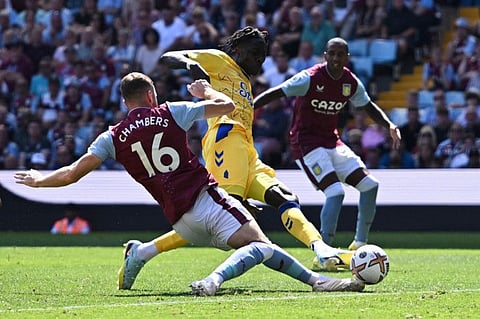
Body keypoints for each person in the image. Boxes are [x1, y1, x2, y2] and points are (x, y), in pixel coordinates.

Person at [14, 72, 364, 296]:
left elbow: (72, 173)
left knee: (257, 246)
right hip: (206, 199)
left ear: (125, 102)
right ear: (151, 95)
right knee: (261, 246)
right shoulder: (170, 111)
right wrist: (205, 90)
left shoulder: (113, 136)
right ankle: (216, 281)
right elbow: (226, 106)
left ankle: (140, 252)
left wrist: (38, 180)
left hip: (179, 221)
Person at [156, 26, 353, 273]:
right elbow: (168, 57)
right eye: (254, 55)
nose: (259, 62)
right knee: (228, 217)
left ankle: (321, 250)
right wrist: (192, 67)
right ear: (238, 51)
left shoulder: (245, 83)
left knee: (285, 198)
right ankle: (147, 251)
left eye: (262, 57)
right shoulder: (220, 60)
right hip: (225, 137)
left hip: (247, 149)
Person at [253, 37, 402, 251]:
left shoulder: (350, 83)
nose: (335, 58)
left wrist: (389, 125)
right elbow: (276, 92)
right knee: (336, 193)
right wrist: (251, 108)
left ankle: (359, 244)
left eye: (340, 54)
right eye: (331, 53)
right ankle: (324, 251)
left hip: (331, 141)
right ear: (325, 55)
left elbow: (367, 106)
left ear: (346, 58)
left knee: (370, 186)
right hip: (306, 143)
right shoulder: (309, 78)